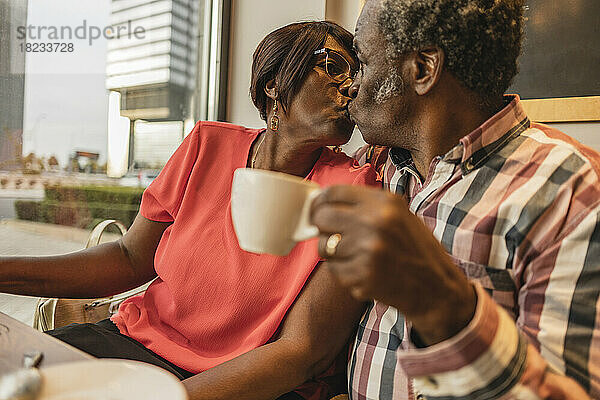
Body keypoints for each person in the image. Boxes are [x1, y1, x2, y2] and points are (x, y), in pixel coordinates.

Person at [0, 21, 378, 400]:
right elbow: (129, 258)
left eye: (355, 74)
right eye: (331, 66)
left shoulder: (353, 187)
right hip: (136, 344)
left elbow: (303, 351)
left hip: (247, 381)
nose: (350, 86)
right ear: (274, 83)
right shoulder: (206, 146)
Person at [310, 0, 599, 398]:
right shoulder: (378, 167)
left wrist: (445, 306)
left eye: (361, 62)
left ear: (424, 69)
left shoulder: (566, 190)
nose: (352, 85)